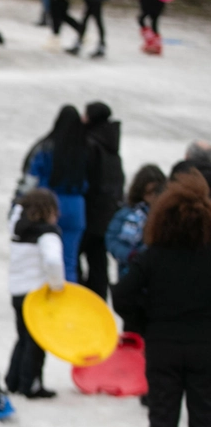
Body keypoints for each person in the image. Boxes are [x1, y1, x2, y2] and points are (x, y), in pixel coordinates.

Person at [113, 171, 211, 427]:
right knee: (205, 425)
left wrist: (145, 322)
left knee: (162, 422)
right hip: (205, 350)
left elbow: (122, 294)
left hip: (163, 347)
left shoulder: (153, 257)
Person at [6, 188, 65, 399]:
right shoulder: (48, 235)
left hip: (17, 292)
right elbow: (53, 261)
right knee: (37, 341)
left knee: (22, 338)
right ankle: (30, 384)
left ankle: (13, 380)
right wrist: (57, 285)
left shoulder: (18, 232)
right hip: (37, 294)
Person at [29, 106, 90, 282]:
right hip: (77, 207)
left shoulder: (46, 147)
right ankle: (67, 304)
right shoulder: (84, 149)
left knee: (45, 259)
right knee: (69, 262)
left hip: (49, 206)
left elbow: (32, 178)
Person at [79, 102, 123, 298]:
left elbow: (85, 179)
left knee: (72, 258)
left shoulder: (89, 144)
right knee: (99, 262)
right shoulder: (111, 144)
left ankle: (80, 298)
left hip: (89, 212)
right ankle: (98, 303)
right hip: (107, 214)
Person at [107, 165, 166, 283]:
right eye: (148, 193)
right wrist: (130, 255)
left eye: (156, 192)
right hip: (128, 272)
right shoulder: (124, 214)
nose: (152, 197)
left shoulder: (166, 216)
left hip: (158, 274)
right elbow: (112, 240)